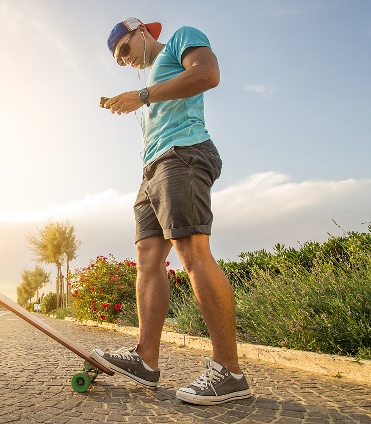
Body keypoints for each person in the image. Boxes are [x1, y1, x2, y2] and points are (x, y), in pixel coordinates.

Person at [91, 17, 251, 406]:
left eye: (125, 50)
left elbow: (208, 75)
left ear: (142, 32)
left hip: (184, 154)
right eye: (118, 59)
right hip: (152, 169)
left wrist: (141, 97)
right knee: (147, 257)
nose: (125, 60)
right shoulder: (148, 83)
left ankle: (229, 372)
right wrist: (138, 97)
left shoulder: (182, 38)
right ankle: (146, 360)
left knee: (192, 250)